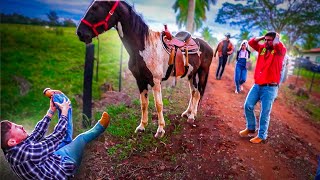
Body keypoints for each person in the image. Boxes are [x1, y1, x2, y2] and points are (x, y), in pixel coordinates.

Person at [1, 89, 110, 179]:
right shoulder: (24, 154)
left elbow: (37, 134)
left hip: (52, 159)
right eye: (16, 127)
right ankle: (100, 127)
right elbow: (56, 137)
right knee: (80, 138)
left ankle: (59, 98)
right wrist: (63, 114)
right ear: (12, 141)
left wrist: (50, 111)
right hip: (63, 167)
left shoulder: (14, 149)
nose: (20, 126)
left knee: (64, 135)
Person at [239, 31, 286, 144]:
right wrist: (263, 37)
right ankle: (251, 128)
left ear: (275, 40)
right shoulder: (263, 49)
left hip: (270, 88)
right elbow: (251, 42)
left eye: (269, 40)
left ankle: (262, 135)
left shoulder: (280, 51)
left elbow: (279, 46)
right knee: (248, 105)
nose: (266, 42)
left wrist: (276, 39)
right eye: (265, 40)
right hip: (258, 85)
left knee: (265, 112)